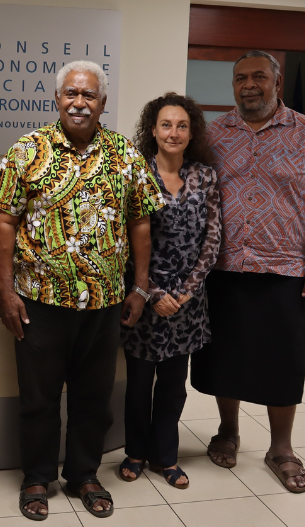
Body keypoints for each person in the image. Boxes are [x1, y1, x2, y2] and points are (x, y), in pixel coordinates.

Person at [0, 60, 163, 520]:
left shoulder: (124, 154)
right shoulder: (28, 149)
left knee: (93, 395)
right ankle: (37, 478)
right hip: (39, 301)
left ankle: (84, 473)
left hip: (104, 302)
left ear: (103, 102)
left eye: (88, 95)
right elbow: (4, 221)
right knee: (39, 397)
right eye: (71, 94)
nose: (79, 103)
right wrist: (5, 292)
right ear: (58, 99)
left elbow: (141, 221)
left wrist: (140, 287)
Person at [190, 50, 305, 493]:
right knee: (226, 355)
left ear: (276, 82)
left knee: (284, 360)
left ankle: (281, 448)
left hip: (285, 267)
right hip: (223, 266)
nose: (249, 85)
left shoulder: (301, 131)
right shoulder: (213, 135)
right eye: (241, 78)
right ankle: (228, 430)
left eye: (259, 76)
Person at [119, 93, 221, 489]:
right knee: (139, 385)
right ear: (152, 130)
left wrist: (185, 292)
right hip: (143, 300)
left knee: (174, 387)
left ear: (191, 131)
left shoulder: (205, 176)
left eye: (181, 125)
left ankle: (167, 457)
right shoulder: (135, 173)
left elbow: (213, 239)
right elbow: (125, 241)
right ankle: (135, 452)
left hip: (188, 306)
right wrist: (154, 292)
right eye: (166, 125)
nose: (173, 132)